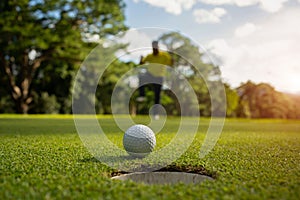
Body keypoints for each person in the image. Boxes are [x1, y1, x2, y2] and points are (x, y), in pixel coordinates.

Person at [137, 40, 173, 119]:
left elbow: (171, 63)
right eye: (153, 47)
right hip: (150, 75)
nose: (155, 49)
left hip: (159, 77)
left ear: (158, 47)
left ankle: (155, 114)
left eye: (156, 47)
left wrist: (172, 59)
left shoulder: (164, 55)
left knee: (157, 96)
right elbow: (141, 63)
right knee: (141, 77)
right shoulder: (150, 56)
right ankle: (142, 95)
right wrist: (141, 59)